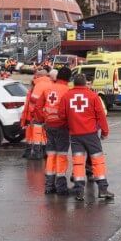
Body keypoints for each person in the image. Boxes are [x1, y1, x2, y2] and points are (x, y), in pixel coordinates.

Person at [66, 72, 113, 201]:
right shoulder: (93, 96)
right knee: (98, 161)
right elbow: (101, 116)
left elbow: (61, 115)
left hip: (75, 136)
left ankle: (79, 191)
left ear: (74, 83)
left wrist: (69, 127)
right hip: (91, 135)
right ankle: (103, 190)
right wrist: (105, 132)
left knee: (78, 163)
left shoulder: (67, 96)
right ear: (85, 83)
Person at [42, 67, 73, 195]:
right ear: (69, 78)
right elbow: (69, 111)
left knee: (51, 155)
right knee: (61, 156)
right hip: (62, 127)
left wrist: (44, 120)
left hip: (49, 125)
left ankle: (49, 186)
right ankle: (61, 187)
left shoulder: (48, 89)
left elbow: (38, 107)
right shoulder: (67, 91)